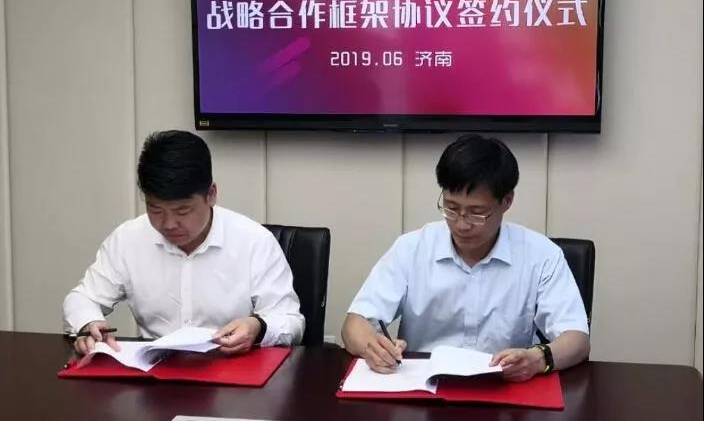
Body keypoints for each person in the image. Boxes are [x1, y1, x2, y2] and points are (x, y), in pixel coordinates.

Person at [341, 134, 589, 381]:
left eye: (477, 213)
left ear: (507, 201)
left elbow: (577, 340)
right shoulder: (412, 248)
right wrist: (373, 347)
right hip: (426, 385)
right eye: (451, 208)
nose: (461, 224)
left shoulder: (541, 255)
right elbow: (354, 324)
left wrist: (537, 359)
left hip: (505, 385)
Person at [63, 130, 304, 355]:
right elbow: (82, 298)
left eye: (182, 210)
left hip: (229, 366)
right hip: (154, 370)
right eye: (155, 209)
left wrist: (257, 327)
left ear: (211, 194)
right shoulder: (128, 239)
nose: (168, 224)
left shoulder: (254, 242)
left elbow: (290, 321)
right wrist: (88, 323)